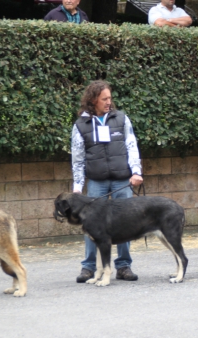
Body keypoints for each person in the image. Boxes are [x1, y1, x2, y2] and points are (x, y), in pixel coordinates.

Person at [72, 81, 144, 283]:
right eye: (104, 99)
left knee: (127, 221)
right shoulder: (80, 125)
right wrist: (77, 188)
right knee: (90, 224)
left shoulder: (121, 119)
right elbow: (77, 159)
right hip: (96, 181)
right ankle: (88, 266)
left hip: (122, 178)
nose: (108, 102)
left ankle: (123, 266)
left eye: (110, 98)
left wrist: (136, 171)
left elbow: (131, 146)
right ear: (93, 99)